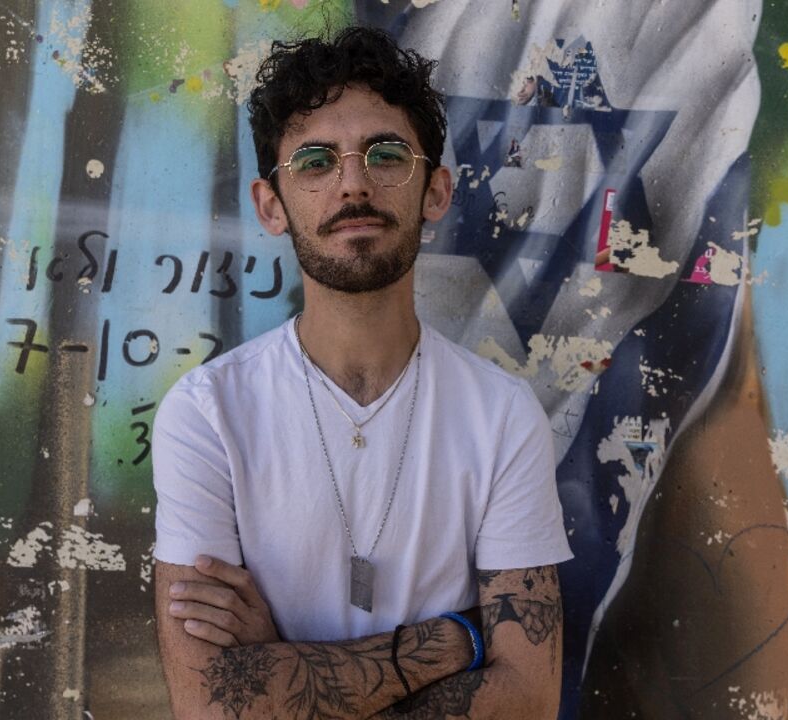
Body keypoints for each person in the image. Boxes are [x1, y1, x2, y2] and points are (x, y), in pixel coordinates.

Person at [152, 26, 573, 719]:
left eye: (386, 155)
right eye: (315, 162)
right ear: (270, 205)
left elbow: (527, 701)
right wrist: (457, 640)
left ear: (435, 191)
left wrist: (279, 664)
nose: (353, 184)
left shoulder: (501, 414)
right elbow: (210, 707)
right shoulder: (206, 415)